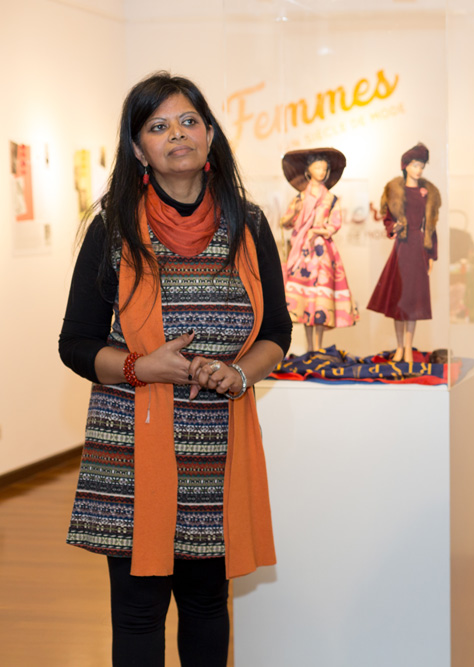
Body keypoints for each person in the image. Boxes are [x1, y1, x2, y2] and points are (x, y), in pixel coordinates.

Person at [58, 72, 292, 667]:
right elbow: (76, 343)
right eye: (157, 126)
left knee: (208, 605)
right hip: (132, 449)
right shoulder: (111, 226)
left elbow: (276, 332)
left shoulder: (251, 224)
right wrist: (142, 367)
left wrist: (239, 375)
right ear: (139, 149)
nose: (177, 134)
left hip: (217, 449)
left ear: (210, 134)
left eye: (188, 121)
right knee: (138, 614)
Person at [367, 142, 441, 363]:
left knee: (413, 300)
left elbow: (431, 225)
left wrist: (431, 255)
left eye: (421, 166)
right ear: (406, 166)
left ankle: (408, 347)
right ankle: (399, 347)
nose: (419, 169)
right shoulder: (394, 191)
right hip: (401, 248)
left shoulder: (427, 193)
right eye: (415, 165)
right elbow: (388, 220)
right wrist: (394, 228)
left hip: (418, 248)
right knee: (399, 300)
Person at [280, 147, 359, 352]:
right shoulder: (300, 198)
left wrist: (322, 230)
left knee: (320, 298)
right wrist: (295, 213)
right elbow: (286, 222)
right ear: (309, 170)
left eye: (325, 168)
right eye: (318, 167)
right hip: (302, 252)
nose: (322, 171)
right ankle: (309, 348)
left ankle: (318, 346)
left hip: (322, 251)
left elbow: (336, 221)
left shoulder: (331, 199)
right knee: (306, 299)